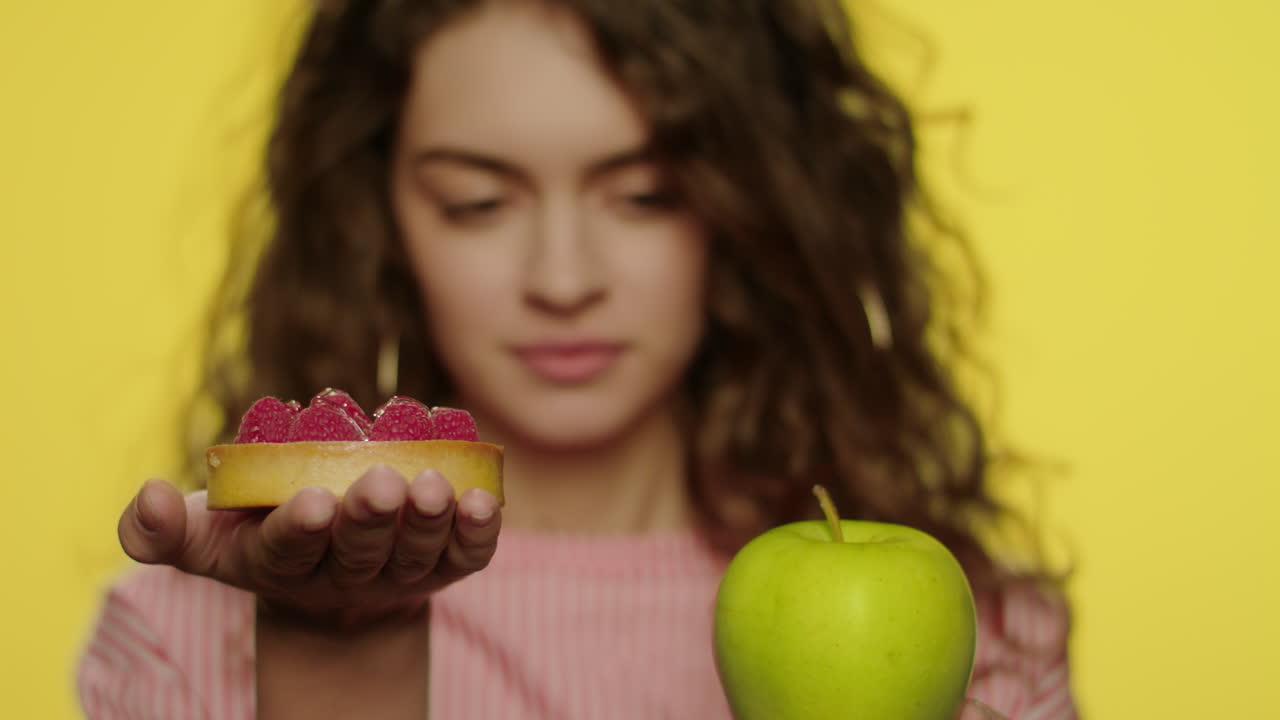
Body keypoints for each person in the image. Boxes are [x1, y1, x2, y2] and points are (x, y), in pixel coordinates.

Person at [78, 0, 1077, 718]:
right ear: (375, 217)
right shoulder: (189, 636)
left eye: (643, 196)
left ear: (747, 210)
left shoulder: (982, 638)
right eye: (478, 201)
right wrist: (336, 647)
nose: (562, 278)